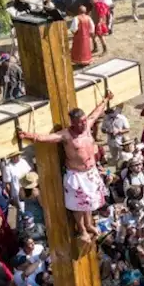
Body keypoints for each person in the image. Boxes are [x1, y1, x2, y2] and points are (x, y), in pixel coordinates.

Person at [19, 90, 114, 242]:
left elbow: (96, 113)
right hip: (76, 174)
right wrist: (28, 135)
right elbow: (45, 138)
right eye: (80, 122)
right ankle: (82, 229)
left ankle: (88, 224)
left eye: (84, 120)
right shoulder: (66, 135)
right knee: (78, 205)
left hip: (90, 171)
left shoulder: (88, 125)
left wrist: (106, 100)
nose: (84, 123)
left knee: (89, 202)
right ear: (73, 123)